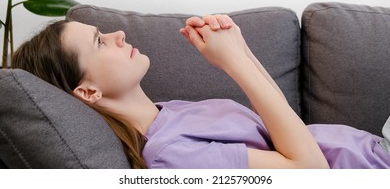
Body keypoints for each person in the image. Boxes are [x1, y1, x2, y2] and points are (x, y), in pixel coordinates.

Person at [11, 14, 390, 169]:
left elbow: (278, 128)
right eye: (98, 42)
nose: (117, 34)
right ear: (88, 92)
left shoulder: (167, 114)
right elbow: (310, 173)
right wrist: (233, 63)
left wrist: (239, 48)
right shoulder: (173, 154)